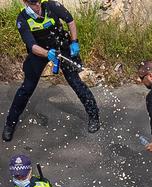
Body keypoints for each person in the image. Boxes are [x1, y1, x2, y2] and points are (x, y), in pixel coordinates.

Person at [3, 0, 100, 142]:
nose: (37, 6)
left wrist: (74, 42)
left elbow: (70, 20)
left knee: (75, 82)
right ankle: (9, 124)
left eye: (38, 1)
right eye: (32, 3)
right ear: (25, 2)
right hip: (40, 52)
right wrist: (47, 54)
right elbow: (32, 46)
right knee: (27, 88)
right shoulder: (22, 19)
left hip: (62, 46)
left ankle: (94, 116)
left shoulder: (52, 6)